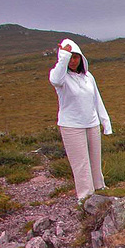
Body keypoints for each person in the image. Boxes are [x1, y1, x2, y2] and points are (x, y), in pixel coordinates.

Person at [49, 38, 112, 203]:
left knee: (95, 159)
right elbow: (55, 79)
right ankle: (85, 197)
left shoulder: (88, 76)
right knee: (81, 163)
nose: (73, 61)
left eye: (75, 57)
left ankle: (99, 188)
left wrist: (105, 121)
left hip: (91, 123)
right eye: (70, 58)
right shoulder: (61, 79)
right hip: (71, 125)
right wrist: (63, 55)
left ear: (81, 58)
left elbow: (96, 99)